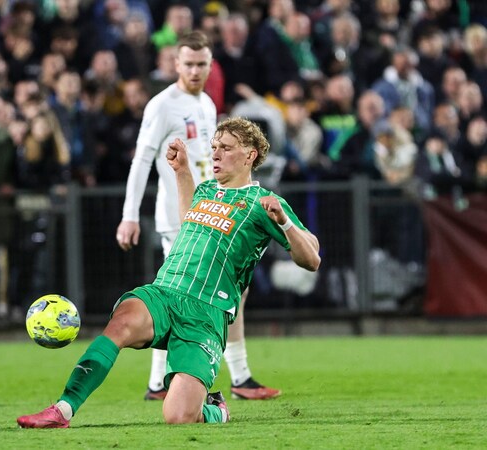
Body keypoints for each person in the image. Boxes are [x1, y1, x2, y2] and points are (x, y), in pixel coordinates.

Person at [18, 117, 321, 428]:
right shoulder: (205, 190)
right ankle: (63, 410)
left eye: (226, 148)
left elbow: (311, 259)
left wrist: (284, 222)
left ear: (251, 154)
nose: (215, 154)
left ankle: (216, 410)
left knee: (178, 417)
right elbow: (191, 220)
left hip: (206, 313)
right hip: (165, 291)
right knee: (121, 323)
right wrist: (182, 172)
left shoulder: (263, 203)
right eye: (214, 147)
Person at [115, 30, 281, 401]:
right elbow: (141, 160)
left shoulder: (206, 103)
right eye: (188, 64)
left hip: (213, 214)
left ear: (210, 66)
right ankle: (220, 378)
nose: (195, 71)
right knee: (182, 296)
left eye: (202, 64)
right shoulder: (162, 105)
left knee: (230, 289)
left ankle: (187, 381)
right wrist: (129, 215)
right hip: (182, 217)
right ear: (176, 64)